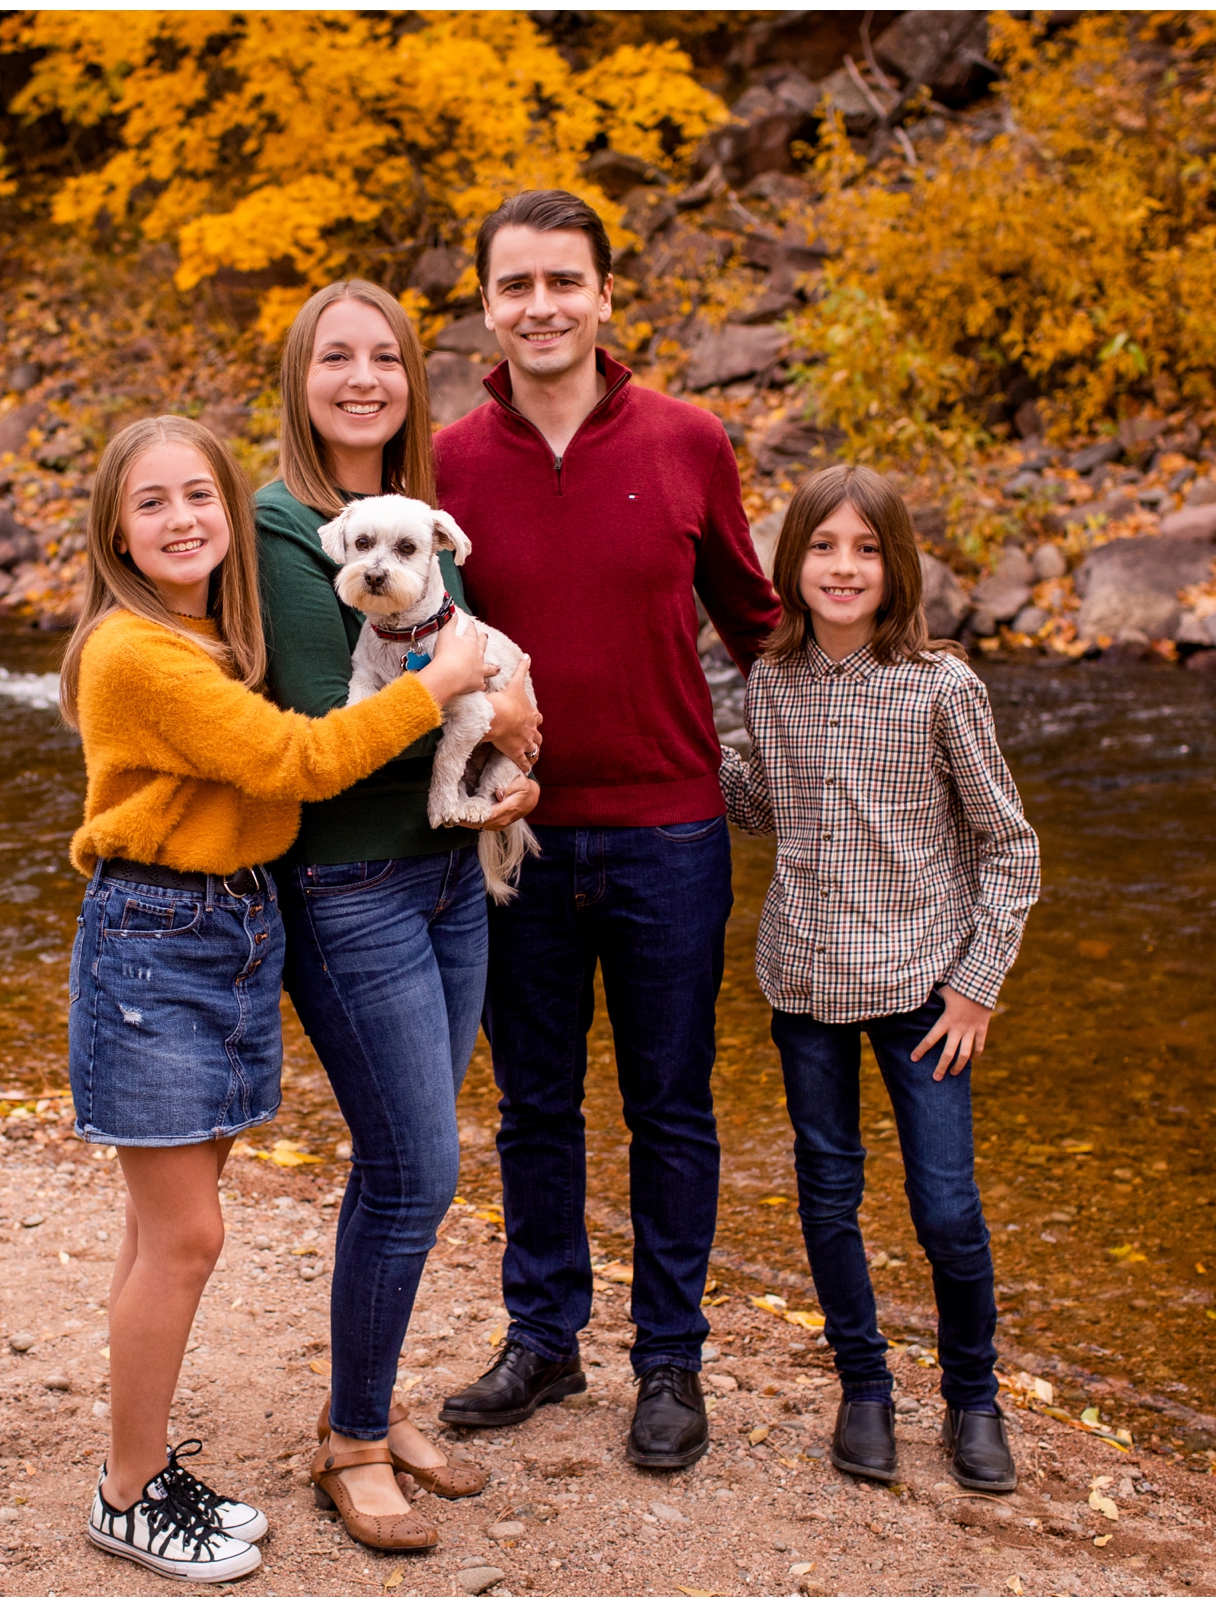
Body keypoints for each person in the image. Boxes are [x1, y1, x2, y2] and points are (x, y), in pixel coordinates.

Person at [58, 414, 494, 1581]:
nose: (185, 518)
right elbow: (293, 763)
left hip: (225, 928)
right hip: (158, 935)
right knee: (185, 1235)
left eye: (200, 493)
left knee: (161, 1233)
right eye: (152, 503)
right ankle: (129, 1490)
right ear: (114, 528)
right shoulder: (138, 653)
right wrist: (439, 681)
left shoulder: (205, 636)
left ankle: (141, 1466)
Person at [433, 189, 780, 1470]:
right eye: (516, 285)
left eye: (563, 282)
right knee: (533, 1102)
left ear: (604, 295)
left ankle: (671, 1361)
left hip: (671, 834)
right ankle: (544, 1335)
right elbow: (409, 633)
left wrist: (894, 676)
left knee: (671, 1104)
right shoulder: (449, 462)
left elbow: (758, 621)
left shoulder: (688, 439)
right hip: (511, 831)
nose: (541, 306)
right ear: (487, 306)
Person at [251, 281, 543, 1551]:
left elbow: (486, 687)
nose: (363, 377)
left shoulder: (421, 524)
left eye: (385, 357)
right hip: (348, 886)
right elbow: (329, 717)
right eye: (337, 357)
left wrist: (514, 743)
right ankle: (354, 1441)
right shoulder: (278, 523)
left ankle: (366, 1401)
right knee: (416, 1161)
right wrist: (466, 678)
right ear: (301, 379)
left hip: (446, 872)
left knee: (418, 1167)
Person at [717, 463, 1041, 1492]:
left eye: (864, 548)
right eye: (823, 547)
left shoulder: (943, 686)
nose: (843, 566)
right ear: (793, 564)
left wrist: (978, 982)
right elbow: (759, 804)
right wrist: (671, 725)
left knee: (946, 1206)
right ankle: (864, 1386)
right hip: (805, 982)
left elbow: (1012, 846)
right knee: (827, 1194)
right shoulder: (772, 681)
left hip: (925, 991)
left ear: (894, 566)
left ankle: (973, 1397)